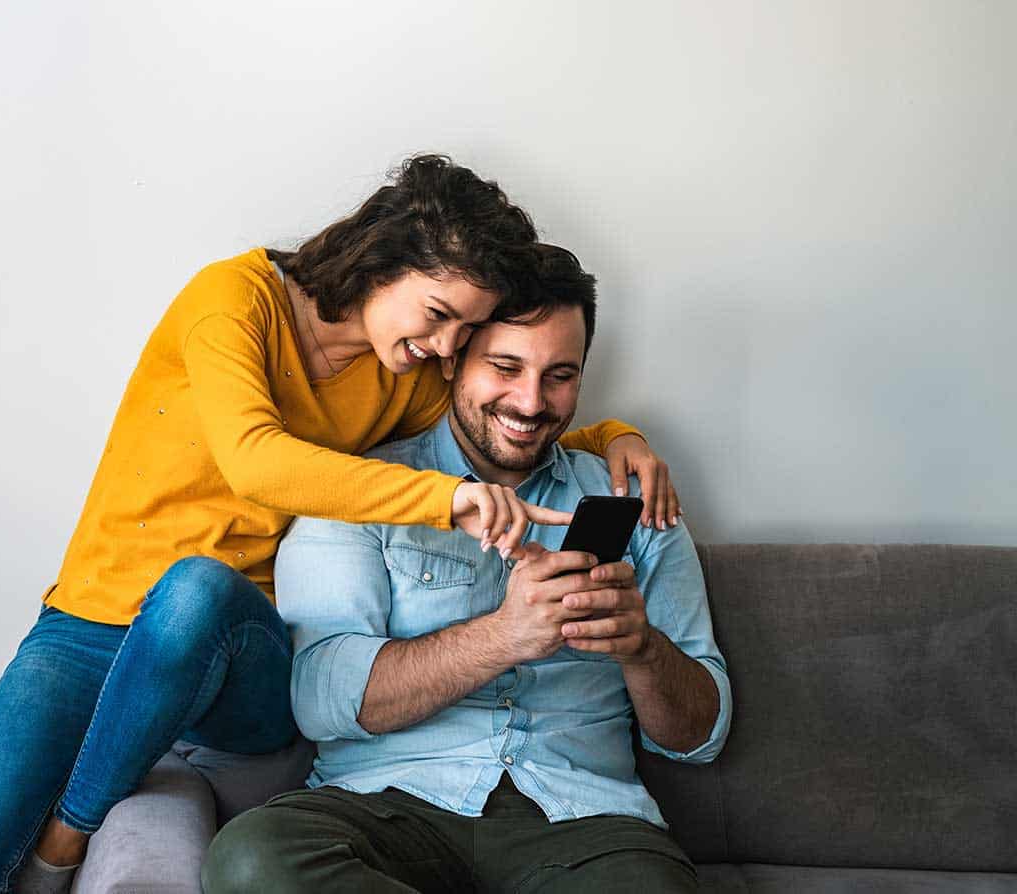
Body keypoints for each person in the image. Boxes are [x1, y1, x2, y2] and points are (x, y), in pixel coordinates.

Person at [0, 155, 682, 893]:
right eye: (441, 316)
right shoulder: (234, 299)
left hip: (236, 646)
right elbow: (257, 460)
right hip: (97, 615)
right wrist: (445, 500)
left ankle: (68, 833)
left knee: (197, 595)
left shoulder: (403, 376)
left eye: (464, 331)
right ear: (382, 262)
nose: (445, 348)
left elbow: (505, 423)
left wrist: (614, 435)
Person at [203, 244, 731, 893]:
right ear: (453, 357)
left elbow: (700, 737)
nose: (531, 401)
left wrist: (642, 648)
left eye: (559, 375)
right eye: (506, 367)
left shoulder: (637, 500)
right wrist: (504, 636)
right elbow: (318, 699)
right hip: (384, 810)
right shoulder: (362, 490)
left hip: (587, 827)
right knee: (252, 860)